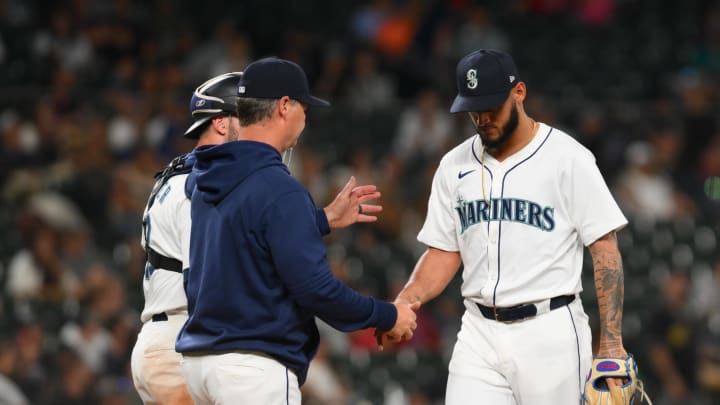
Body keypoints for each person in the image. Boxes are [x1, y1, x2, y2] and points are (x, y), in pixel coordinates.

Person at [377, 49, 630, 404]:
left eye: (491, 106)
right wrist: (406, 300)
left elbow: (605, 249)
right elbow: (444, 253)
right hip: (478, 333)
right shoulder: (453, 165)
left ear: (520, 93)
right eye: (473, 109)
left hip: (550, 331)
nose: (482, 118)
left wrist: (612, 343)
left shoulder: (567, 157)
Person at [131, 71, 387, 404]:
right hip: (181, 340)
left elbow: (236, 235)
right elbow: (224, 259)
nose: (255, 123)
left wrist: (319, 220)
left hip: (171, 340)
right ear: (223, 124)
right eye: (246, 114)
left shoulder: (183, 177)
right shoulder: (201, 186)